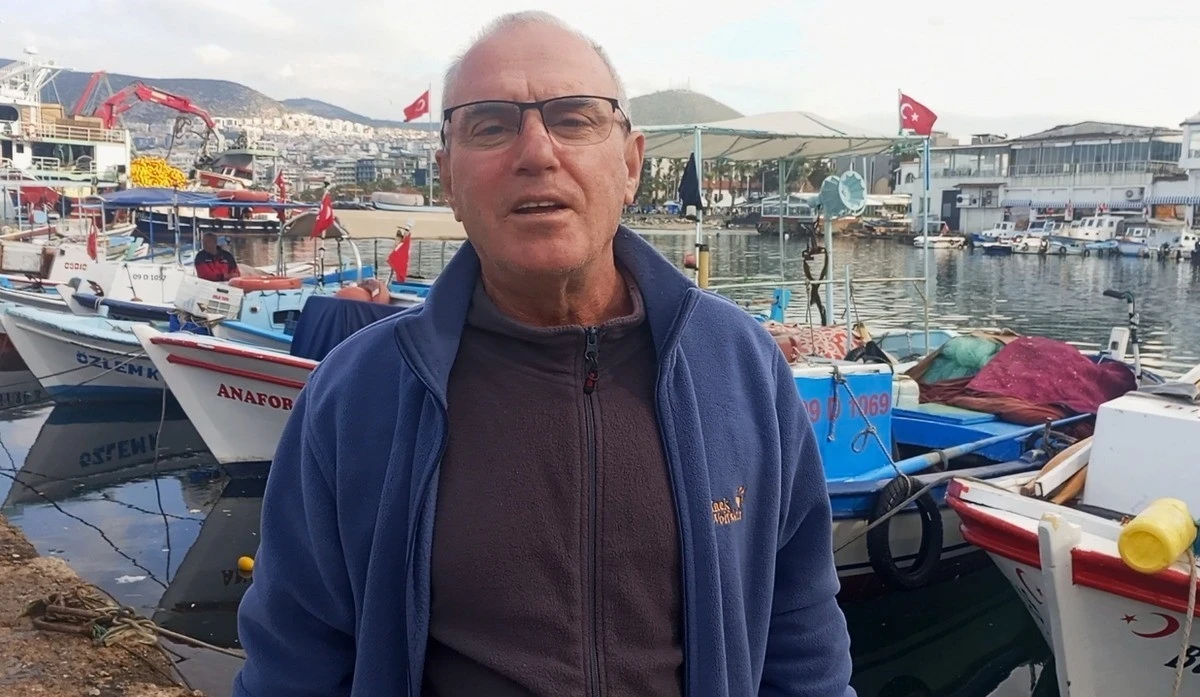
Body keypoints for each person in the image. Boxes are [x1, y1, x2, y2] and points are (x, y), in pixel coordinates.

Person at [233, 11, 854, 697]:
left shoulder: (740, 367)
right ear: (448, 179)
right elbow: (292, 662)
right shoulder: (358, 392)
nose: (536, 152)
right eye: (490, 125)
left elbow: (800, 633)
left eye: (573, 118)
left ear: (630, 165)